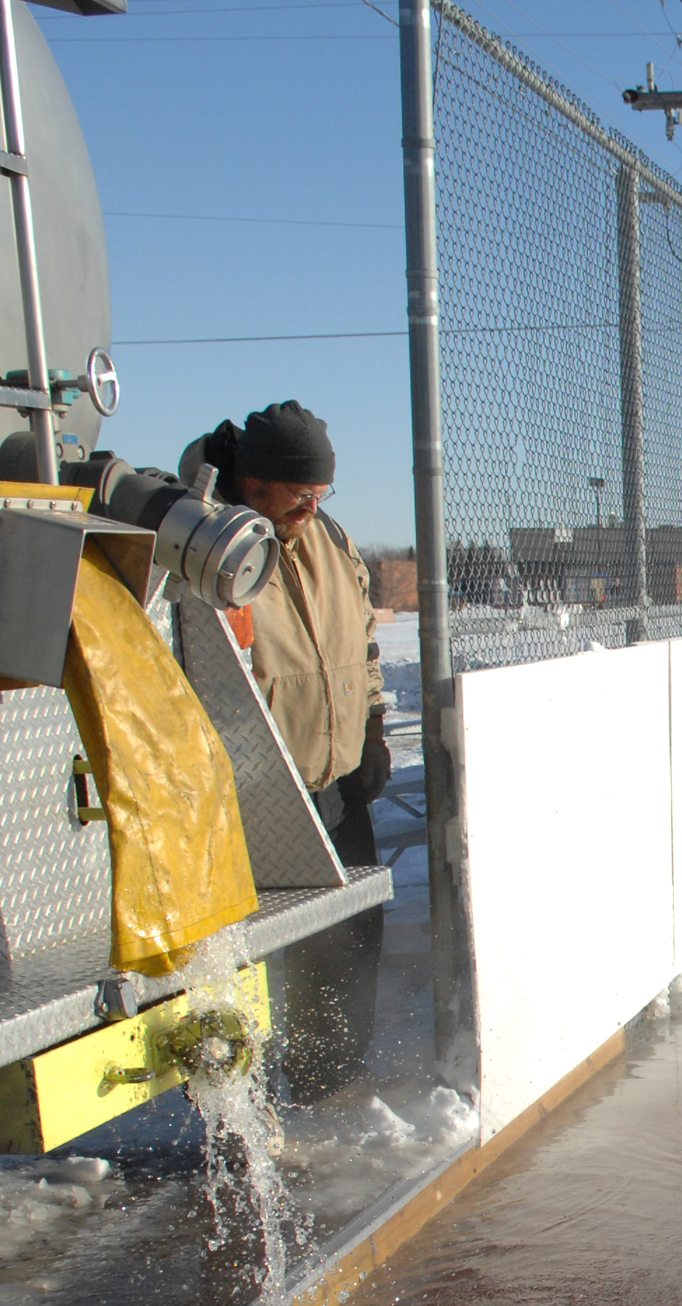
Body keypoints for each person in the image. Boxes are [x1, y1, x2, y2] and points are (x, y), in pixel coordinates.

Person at [187, 401, 390, 1105]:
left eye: (321, 492)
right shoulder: (206, 541)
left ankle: (326, 1083)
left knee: (348, 938)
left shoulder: (328, 536)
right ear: (253, 484)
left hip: (334, 775)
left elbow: (364, 636)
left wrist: (372, 728)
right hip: (254, 792)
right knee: (242, 959)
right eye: (301, 493)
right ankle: (237, 1108)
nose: (314, 506)